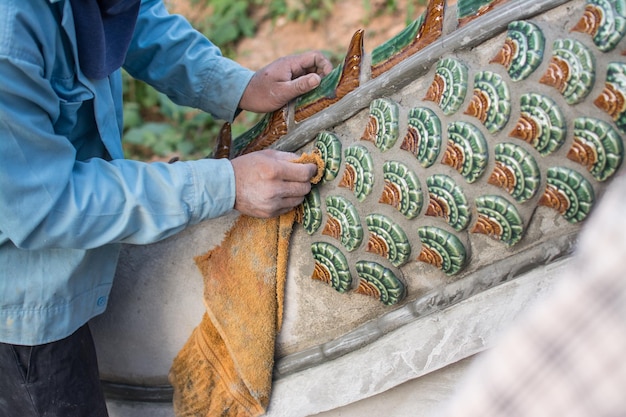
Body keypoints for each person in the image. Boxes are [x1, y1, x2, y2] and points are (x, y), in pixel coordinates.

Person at [0, 0, 332, 416]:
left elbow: (133, 21)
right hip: (20, 314)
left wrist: (239, 86)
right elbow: (46, 205)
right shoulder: (9, 35)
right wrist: (223, 184)